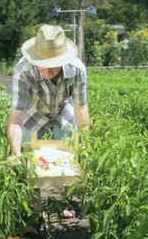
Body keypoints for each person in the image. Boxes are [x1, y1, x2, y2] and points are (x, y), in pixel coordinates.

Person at [7, 25, 90, 157]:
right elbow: (16, 116)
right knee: (28, 152)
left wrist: (85, 143)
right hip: (33, 110)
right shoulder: (23, 70)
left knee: (67, 153)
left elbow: (81, 108)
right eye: (42, 64)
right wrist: (15, 153)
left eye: (52, 65)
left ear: (63, 60)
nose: (47, 72)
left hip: (63, 109)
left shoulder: (76, 69)